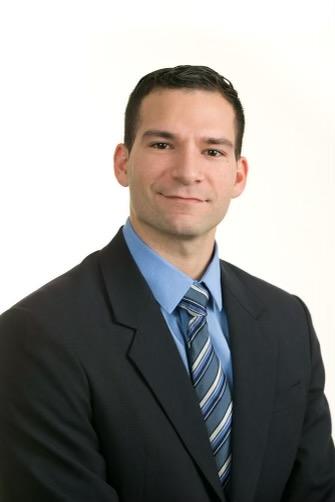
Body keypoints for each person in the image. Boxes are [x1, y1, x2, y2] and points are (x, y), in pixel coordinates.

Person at [0, 65, 334, 502]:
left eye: (213, 151)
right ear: (123, 162)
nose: (187, 171)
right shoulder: (37, 335)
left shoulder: (287, 321)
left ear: (238, 175)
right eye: (162, 144)